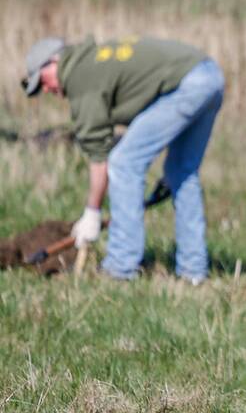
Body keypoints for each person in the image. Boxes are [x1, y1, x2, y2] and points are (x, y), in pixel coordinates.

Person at [21, 35, 224, 282]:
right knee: (181, 172)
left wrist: (92, 213)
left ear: (53, 62)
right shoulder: (91, 62)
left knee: (124, 163)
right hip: (209, 75)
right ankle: (193, 271)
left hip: (187, 84)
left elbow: (101, 159)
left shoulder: (80, 78)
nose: (46, 89)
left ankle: (120, 267)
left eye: (41, 81)